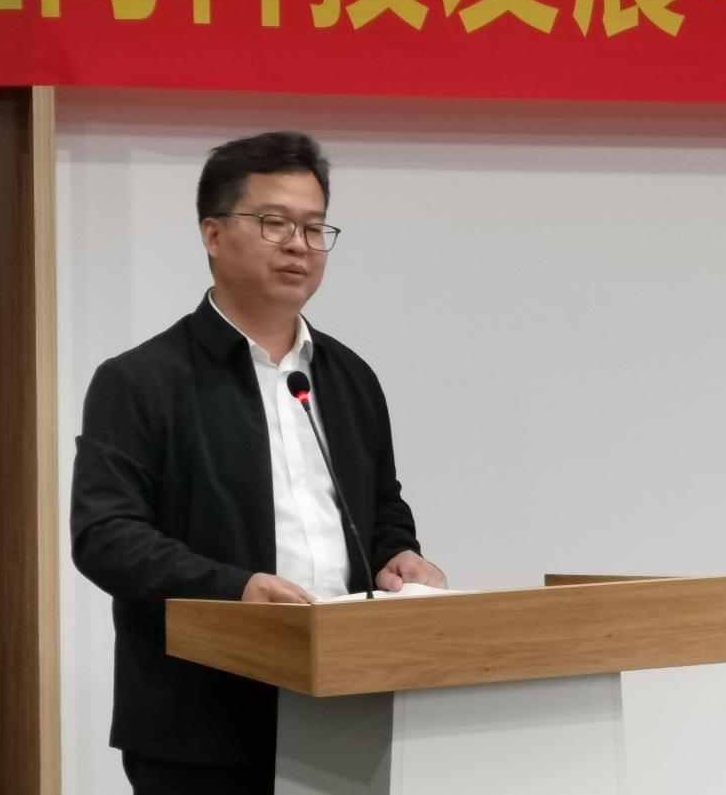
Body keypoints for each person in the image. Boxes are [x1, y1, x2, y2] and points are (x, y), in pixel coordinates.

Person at [70, 131, 445, 795]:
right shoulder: (141, 380)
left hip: (346, 708)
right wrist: (236, 588)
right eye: (274, 222)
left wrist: (400, 555)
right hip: (201, 725)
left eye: (314, 227)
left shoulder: (350, 378)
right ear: (213, 234)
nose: (299, 244)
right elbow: (106, 537)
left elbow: (381, 506)